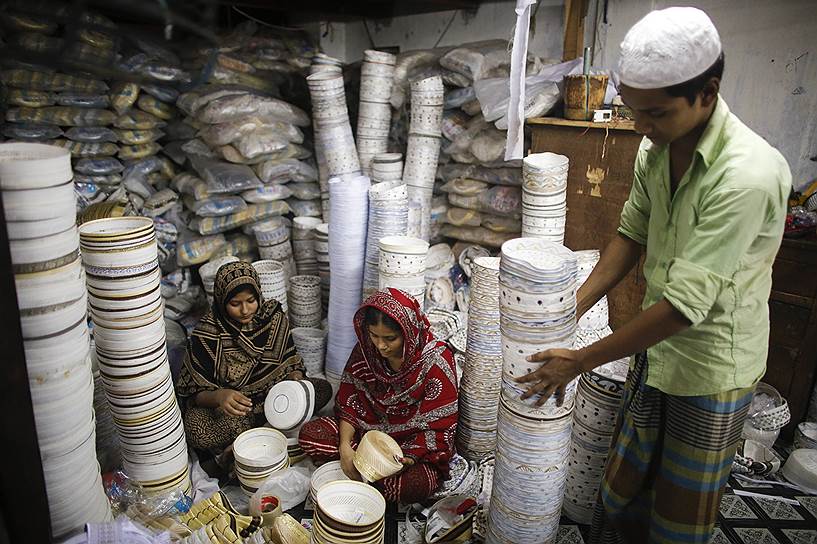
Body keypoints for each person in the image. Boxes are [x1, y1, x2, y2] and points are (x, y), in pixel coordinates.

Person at [516, 7, 791, 544]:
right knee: (628, 490)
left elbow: (685, 308)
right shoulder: (655, 148)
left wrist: (581, 359)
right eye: (633, 110)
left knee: (681, 513)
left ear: (707, 94)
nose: (641, 127)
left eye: (657, 114)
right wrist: (574, 306)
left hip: (710, 366)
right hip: (657, 351)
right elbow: (629, 238)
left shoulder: (746, 177)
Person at [299, 288, 459, 503]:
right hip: (366, 435)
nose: (381, 345)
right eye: (374, 336)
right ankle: (364, 469)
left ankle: (368, 476)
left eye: (390, 338)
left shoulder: (435, 361)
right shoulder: (366, 351)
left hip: (410, 445)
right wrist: (345, 447)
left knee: (411, 485)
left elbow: (440, 425)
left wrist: (408, 459)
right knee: (311, 434)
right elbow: (350, 404)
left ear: (408, 332)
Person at [176, 261, 328, 475]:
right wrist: (220, 396)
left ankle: (250, 440)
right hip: (238, 410)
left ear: (259, 295)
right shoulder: (208, 334)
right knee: (197, 428)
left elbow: (291, 357)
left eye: (251, 300)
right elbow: (193, 392)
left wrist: (296, 377)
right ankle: (264, 434)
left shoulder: (273, 317)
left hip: (277, 399)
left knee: (321, 390)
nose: (245, 310)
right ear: (221, 300)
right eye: (235, 303)